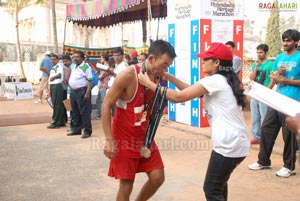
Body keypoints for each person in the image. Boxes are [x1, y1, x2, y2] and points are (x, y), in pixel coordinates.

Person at [138, 42, 250, 201]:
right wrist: (169, 77)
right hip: (235, 143)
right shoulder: (223, 80)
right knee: (219, 186)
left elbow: (178, 97)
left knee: (211, 189)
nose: (202, 61)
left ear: (217, 62)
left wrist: (148, 83)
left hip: (229, 145)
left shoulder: (215, 80)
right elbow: (190, 90)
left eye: (205, 59)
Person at [102, 40, 176, 201]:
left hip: (144, 137)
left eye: (168, 66)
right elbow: (106, 105)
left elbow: (180, 95)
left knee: (157, 177)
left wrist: (166, 75)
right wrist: (109, 140)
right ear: (150, 59)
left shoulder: (156, 78)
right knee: (127, 184)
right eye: (164, 65)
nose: (165, 69)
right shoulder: (128, 75)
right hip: (124, 138)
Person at [248, 29, 300, 178]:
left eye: (288, 41)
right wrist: (274, 80)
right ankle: (263, 161)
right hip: (277, 99)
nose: (285, 43)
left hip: (292, 102)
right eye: (283, 40)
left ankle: (289, 166)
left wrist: (286, 80)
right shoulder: (279, 57)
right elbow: (274, 77)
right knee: (266, 128)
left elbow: (288, 80)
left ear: (296, 42)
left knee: (288, 134)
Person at [249, 44, 274, 144]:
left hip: (264, 92)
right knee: (255, 116)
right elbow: (251, 78)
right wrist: (257, 66)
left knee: (264, 117)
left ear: (266, 53)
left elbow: (273, 79)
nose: (259, 54)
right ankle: (256, 137)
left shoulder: (270, 64)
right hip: (255, 93)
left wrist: (267, 91)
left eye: (261, 52)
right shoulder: (255, 64)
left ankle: (265, 138)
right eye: (257, 52)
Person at [67, 50, 93, 139]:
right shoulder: (73, 66)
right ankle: (77, 129)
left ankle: (87, 131)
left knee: (84, 112)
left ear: (82, 58)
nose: (75, 59)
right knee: (75, 111)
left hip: (82, 91)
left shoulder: (86, 67)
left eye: (77, 57)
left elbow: (90, 81)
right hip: (73, 92)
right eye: (74, 57)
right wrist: (71, 87)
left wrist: (87, 93)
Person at [47, 53, 66, 128]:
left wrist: (53, 77)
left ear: (58, 59)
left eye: (54, 59)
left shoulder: (59, 66)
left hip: (57, 85)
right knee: (57, 104)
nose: (53, 61)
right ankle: (61, 121)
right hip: (53, 85)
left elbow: (60, 74)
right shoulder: (54, 67)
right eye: (51, 59)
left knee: (57, 104)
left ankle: (56, 121)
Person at [95, 54, 111, 120]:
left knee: (103, 101)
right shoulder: (104, 66)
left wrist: (97, 75)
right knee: (99, 100)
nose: (100, 59)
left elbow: (101, 76)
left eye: (101, 58)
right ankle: (101, 115)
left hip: (104, 86)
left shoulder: (105, 66)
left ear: (104, 59)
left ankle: (104, 115)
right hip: (102, 85)